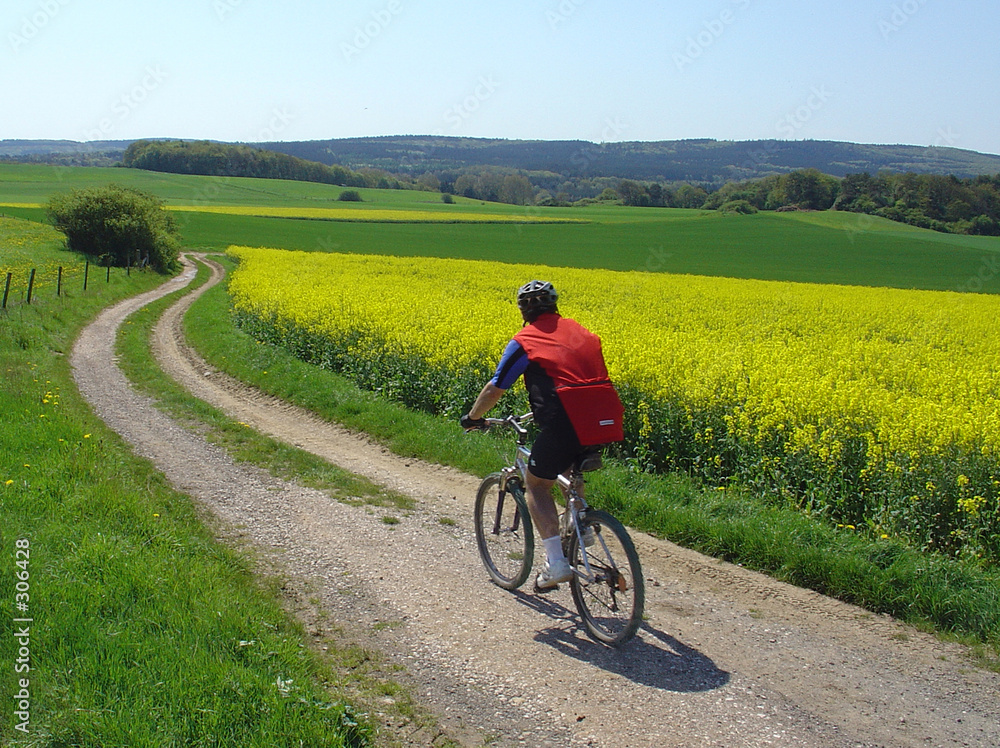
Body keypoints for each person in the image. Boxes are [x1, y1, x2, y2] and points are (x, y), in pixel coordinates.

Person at [461, 280, 623, 590]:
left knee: (536, 484)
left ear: (523, 310)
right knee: (567, 470)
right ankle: (582, 527)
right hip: (605, 419)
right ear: (555, 304)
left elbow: (497, 386)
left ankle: (556, 563)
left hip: (565, 421)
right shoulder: (580, 331)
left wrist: (473, 418)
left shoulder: (527, 339)